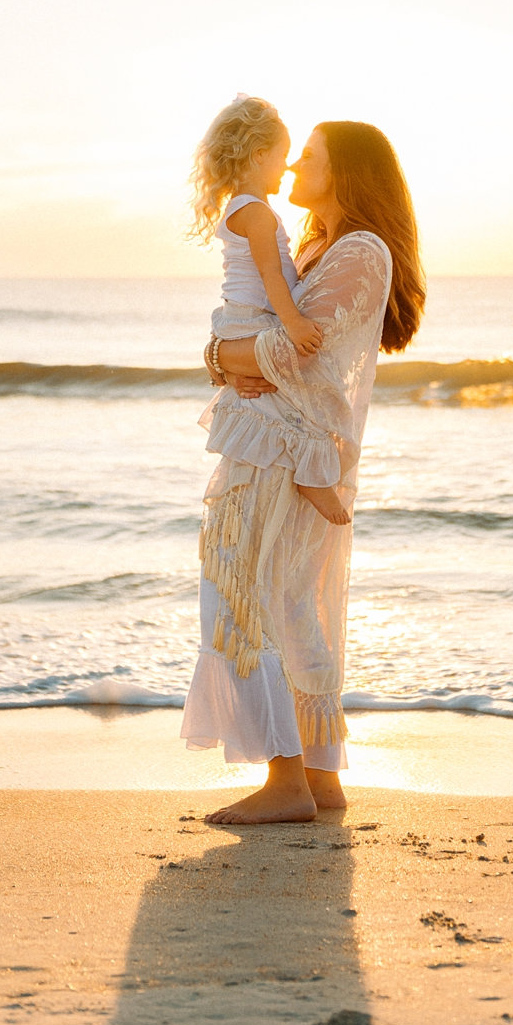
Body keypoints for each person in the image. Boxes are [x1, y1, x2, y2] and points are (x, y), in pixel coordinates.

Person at [180, 120, 425, 824]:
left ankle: (287, 782)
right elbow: (264, 335)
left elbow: (296, 353)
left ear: (345, 172)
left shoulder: (359, 250)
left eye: (307, 159)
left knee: (249, 599)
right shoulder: (319, 247)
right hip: (278, 444)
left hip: (283, 451)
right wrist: (226, 354)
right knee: (287, 602)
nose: (289, 172)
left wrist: (225, 357)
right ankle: (317, 776)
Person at [190, 94, 346, 525]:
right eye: (281, 156)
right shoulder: (257, 213)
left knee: (272, 400)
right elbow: (271, 276)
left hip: (241, 320)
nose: (287, 166)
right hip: (253, 318)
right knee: (293, 404)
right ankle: (310, 476)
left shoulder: (247, 208)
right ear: (259, 156)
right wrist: (294, 323)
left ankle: (307, 473)